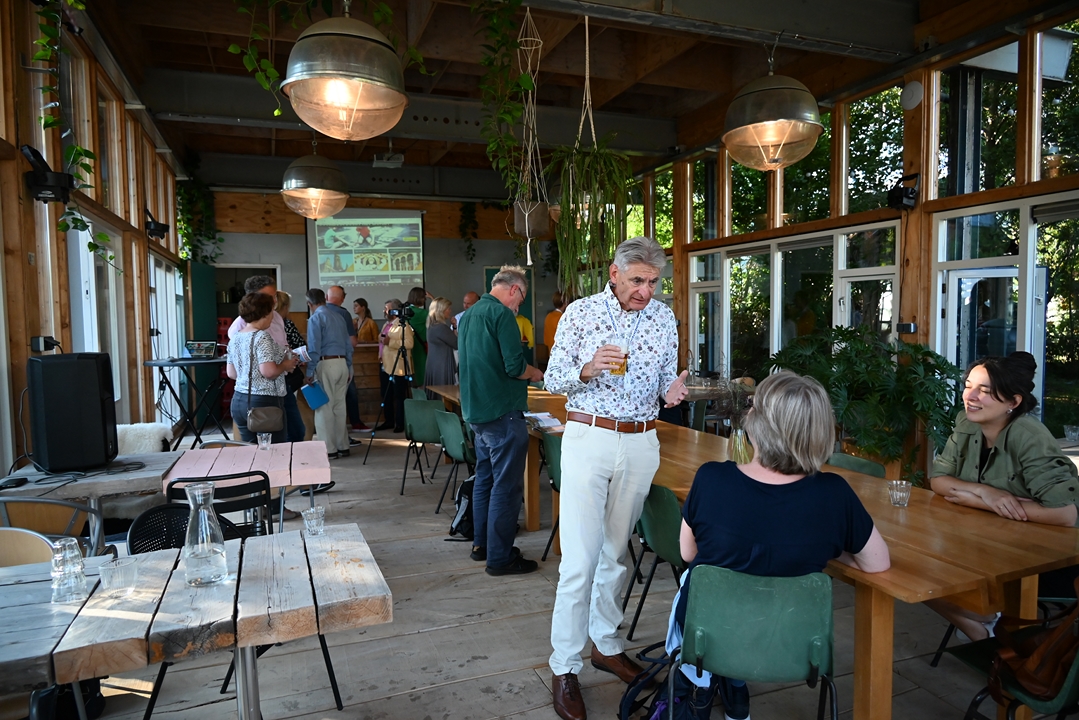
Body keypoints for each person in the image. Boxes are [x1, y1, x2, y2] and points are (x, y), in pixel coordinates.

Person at [668, 371, 891, 720]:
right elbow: (876, 564)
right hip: (793, 647)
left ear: (757, 426)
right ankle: (735, 685)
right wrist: (824, 543)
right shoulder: (835, 494)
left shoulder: (712, 478)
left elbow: (688, 554)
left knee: (696, 585)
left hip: (710, 639)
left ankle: (715, 679)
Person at [544, 236, 690, 720]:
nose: (646, 291)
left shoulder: (664, 317)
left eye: (652, 282)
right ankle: (564, 666)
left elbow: (669, 375)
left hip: (643, 440)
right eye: (637, 281)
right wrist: (587, 369)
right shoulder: (581, 313)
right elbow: (552, 379)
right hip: (590, 437)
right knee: (580, 562)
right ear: (613, 273)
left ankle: (605, 644)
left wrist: (675, 389)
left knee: (615, 553)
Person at [926, 352, 1079, 641]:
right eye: (968, 385)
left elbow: (1065, 515)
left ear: (1012, 402)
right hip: (990, 545)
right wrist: (987, 493)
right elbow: (939, 480)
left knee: (925, 579)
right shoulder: (967, 422)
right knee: (914, 575)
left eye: (984, 391)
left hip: (1046, 559)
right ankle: (983, 631)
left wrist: (981, 503)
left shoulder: (1028, 435)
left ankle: (988, 622)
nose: (969, 396)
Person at [458, 265, 544, 576]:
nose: (519, 305)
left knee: (485, 480)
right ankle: (500, 557)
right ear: (513, 289)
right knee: (506, 488)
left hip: (476, 412)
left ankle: (481, 546)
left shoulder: (468, 315)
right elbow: (514, 367)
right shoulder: (501, 315)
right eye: (521, 298)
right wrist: (536, 374)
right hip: (503, 412)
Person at [226, 292, 300, 445]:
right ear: (265, 313)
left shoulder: (236, 337)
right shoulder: (262, 337)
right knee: (273, 451)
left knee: (251, 451)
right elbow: (269, 371)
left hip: (239, 399)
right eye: (272, 312)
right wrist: (286, 365)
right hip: (264, 402)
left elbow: (231, 373)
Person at [305, 288, 353, 459]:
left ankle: (329, 449)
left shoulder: (315, 318)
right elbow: (349, 346)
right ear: (325, 299)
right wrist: (348, 366)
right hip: (342, 364)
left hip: (326, 363)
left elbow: (314, 348)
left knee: (324, 408)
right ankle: (343, 446)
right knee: (340, 407)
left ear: (309, 304)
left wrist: (309, 371)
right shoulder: (339, 317)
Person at [326, 285, 366, 434]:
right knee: (344, 398)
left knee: (329, 401)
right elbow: (352, 342)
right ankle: (349, 430)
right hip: (342, 361)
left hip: (323, 363)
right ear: (342, 299)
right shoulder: (343, 314)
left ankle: (331, 434)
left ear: (326, 297)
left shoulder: (318, 314)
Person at [275, 290, 306, 444]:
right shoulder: (285, 324)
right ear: (285, 306)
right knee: (294, 427)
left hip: (274, 379)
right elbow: (301, 347)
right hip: (284, 376)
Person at [381, 300, 415, 433]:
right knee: (386, 394)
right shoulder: (387, 324)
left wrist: (391, 342)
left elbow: (409, 343)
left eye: (387, 308)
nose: (385, 311)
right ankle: (388, 420)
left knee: (399, 396)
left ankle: (400, 423)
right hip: (386, 364)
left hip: (398, 365)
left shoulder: (403, 326)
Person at [227, 275, 287, 349]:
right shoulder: (239, 327)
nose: (275, 301)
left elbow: (284, 345)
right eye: (268, 297)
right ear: (253, 299)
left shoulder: (276, 317)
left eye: (275, 296)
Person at [424, 297, 458, 399]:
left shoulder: (432, 326)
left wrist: (454, 327)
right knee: (445, 396)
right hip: (442, 367)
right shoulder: (441, 328)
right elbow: (456, 343)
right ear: (441, 310)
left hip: (434, 364)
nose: (450, 311)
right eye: (448, 308)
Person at [405, 287, 429, 389]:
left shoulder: (405, 312)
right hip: (420, 348)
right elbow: (439, 313)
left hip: (407, 346)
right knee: (421, 378)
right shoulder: (423, 313)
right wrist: (433, 298)